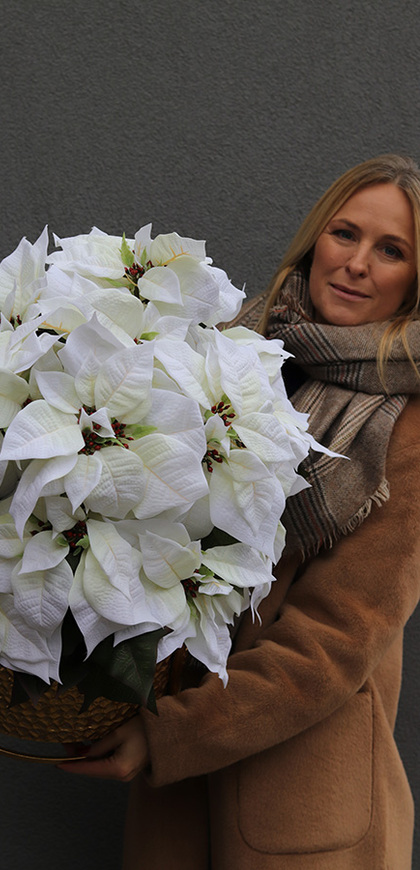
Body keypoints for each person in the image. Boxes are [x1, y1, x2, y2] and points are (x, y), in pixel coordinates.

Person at [60, 154, 420, 869]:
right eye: (345, 233)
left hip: (297, 789)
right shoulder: (229, 353)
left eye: (391, 250)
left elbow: (335, 642)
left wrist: (168, 733)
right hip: (176, 776)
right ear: (315, 239)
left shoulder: (403, 427)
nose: (356, 263)